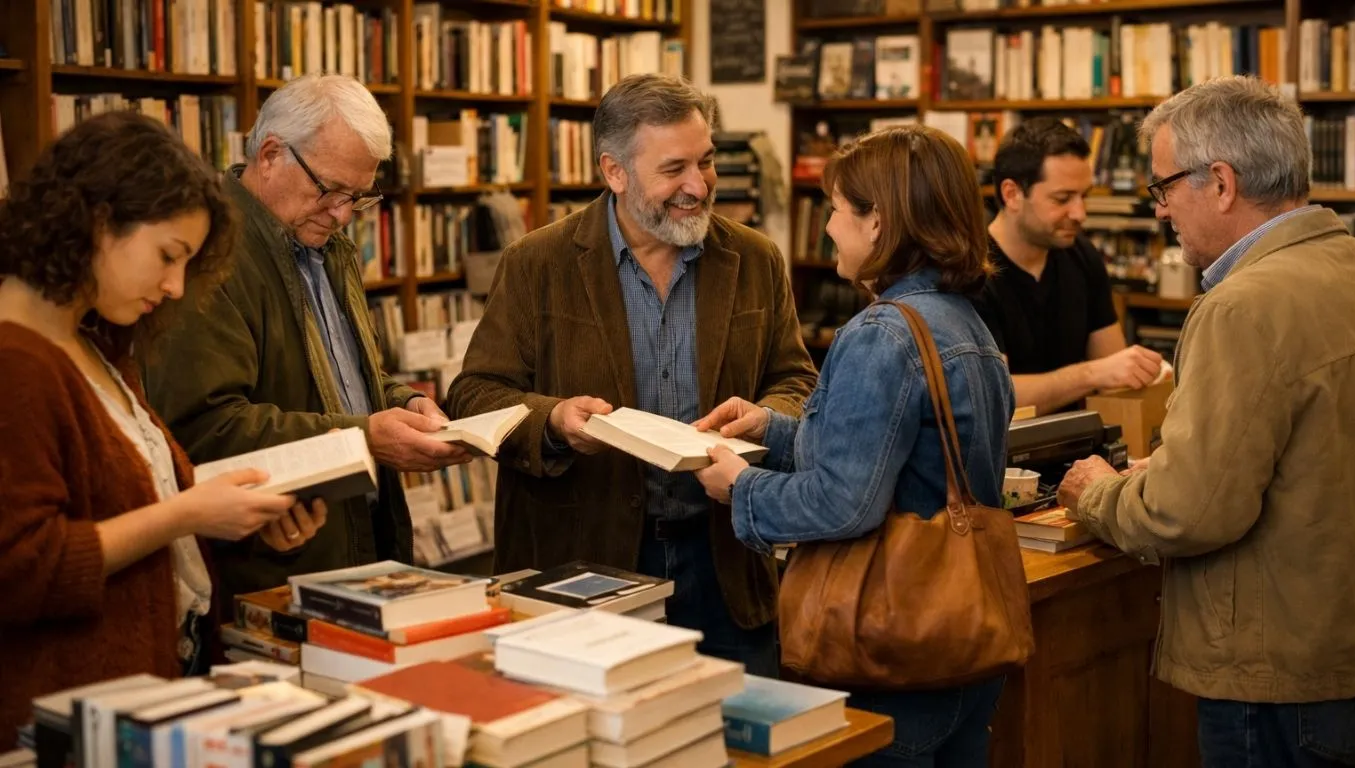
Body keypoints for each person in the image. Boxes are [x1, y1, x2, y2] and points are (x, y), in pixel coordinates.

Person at [445, 74, 817, 675]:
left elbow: (796, 381)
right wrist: (554, 421)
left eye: (707, 161)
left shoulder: (754, 259)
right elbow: (474, 396)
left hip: (724, 561)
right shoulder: (537, 262)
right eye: (674, 169)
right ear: (614, 172)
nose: (698, 185)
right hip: (584, 562)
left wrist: (767, 418)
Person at [1057, 75, 1355, 765]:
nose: (1162, 211)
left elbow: (1187, 513)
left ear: (1220, 183)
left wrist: (1099, 494)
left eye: (1164, 188)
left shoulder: (1241, 307)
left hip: (1277, 671)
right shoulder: (1354, 267)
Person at [0, 112, 326, 747]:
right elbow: (21, 567)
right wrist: (184, 514)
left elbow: (132, 515)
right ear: (97, 222)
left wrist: (244, 521)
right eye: (168, 257)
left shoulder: (93, 343)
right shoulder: (17, 361)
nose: (175, 287)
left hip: (138, 700)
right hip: (62, 720)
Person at [693, 125, 1014, 765]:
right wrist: (771, 429)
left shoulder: (881, 333)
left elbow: (844, 503)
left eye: (838, 211)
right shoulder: (963, 320)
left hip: (890, 647)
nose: (829, 229)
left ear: (880, 222)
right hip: (964, 641)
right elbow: (899, 453)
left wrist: (740, 487)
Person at [144, 74, 472, 608]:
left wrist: (402, 402)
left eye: (358, 197)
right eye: (331, 190)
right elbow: (204, 428)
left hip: (357, 546)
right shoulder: (209, 257)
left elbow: (347, 375)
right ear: (271, 154)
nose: (343, 214)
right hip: (271, 569)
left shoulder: (324, 241)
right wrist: (363, 437)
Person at [974, 117, 1164, 414]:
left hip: (1082, 450)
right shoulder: (974, 273)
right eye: (1062, 199)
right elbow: (997, 395)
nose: (1080, 213)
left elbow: (1114, 371)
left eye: (1083, 196)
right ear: (1011, 194)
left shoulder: (1081, 255)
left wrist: (1145, 371)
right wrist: (1093, 374)